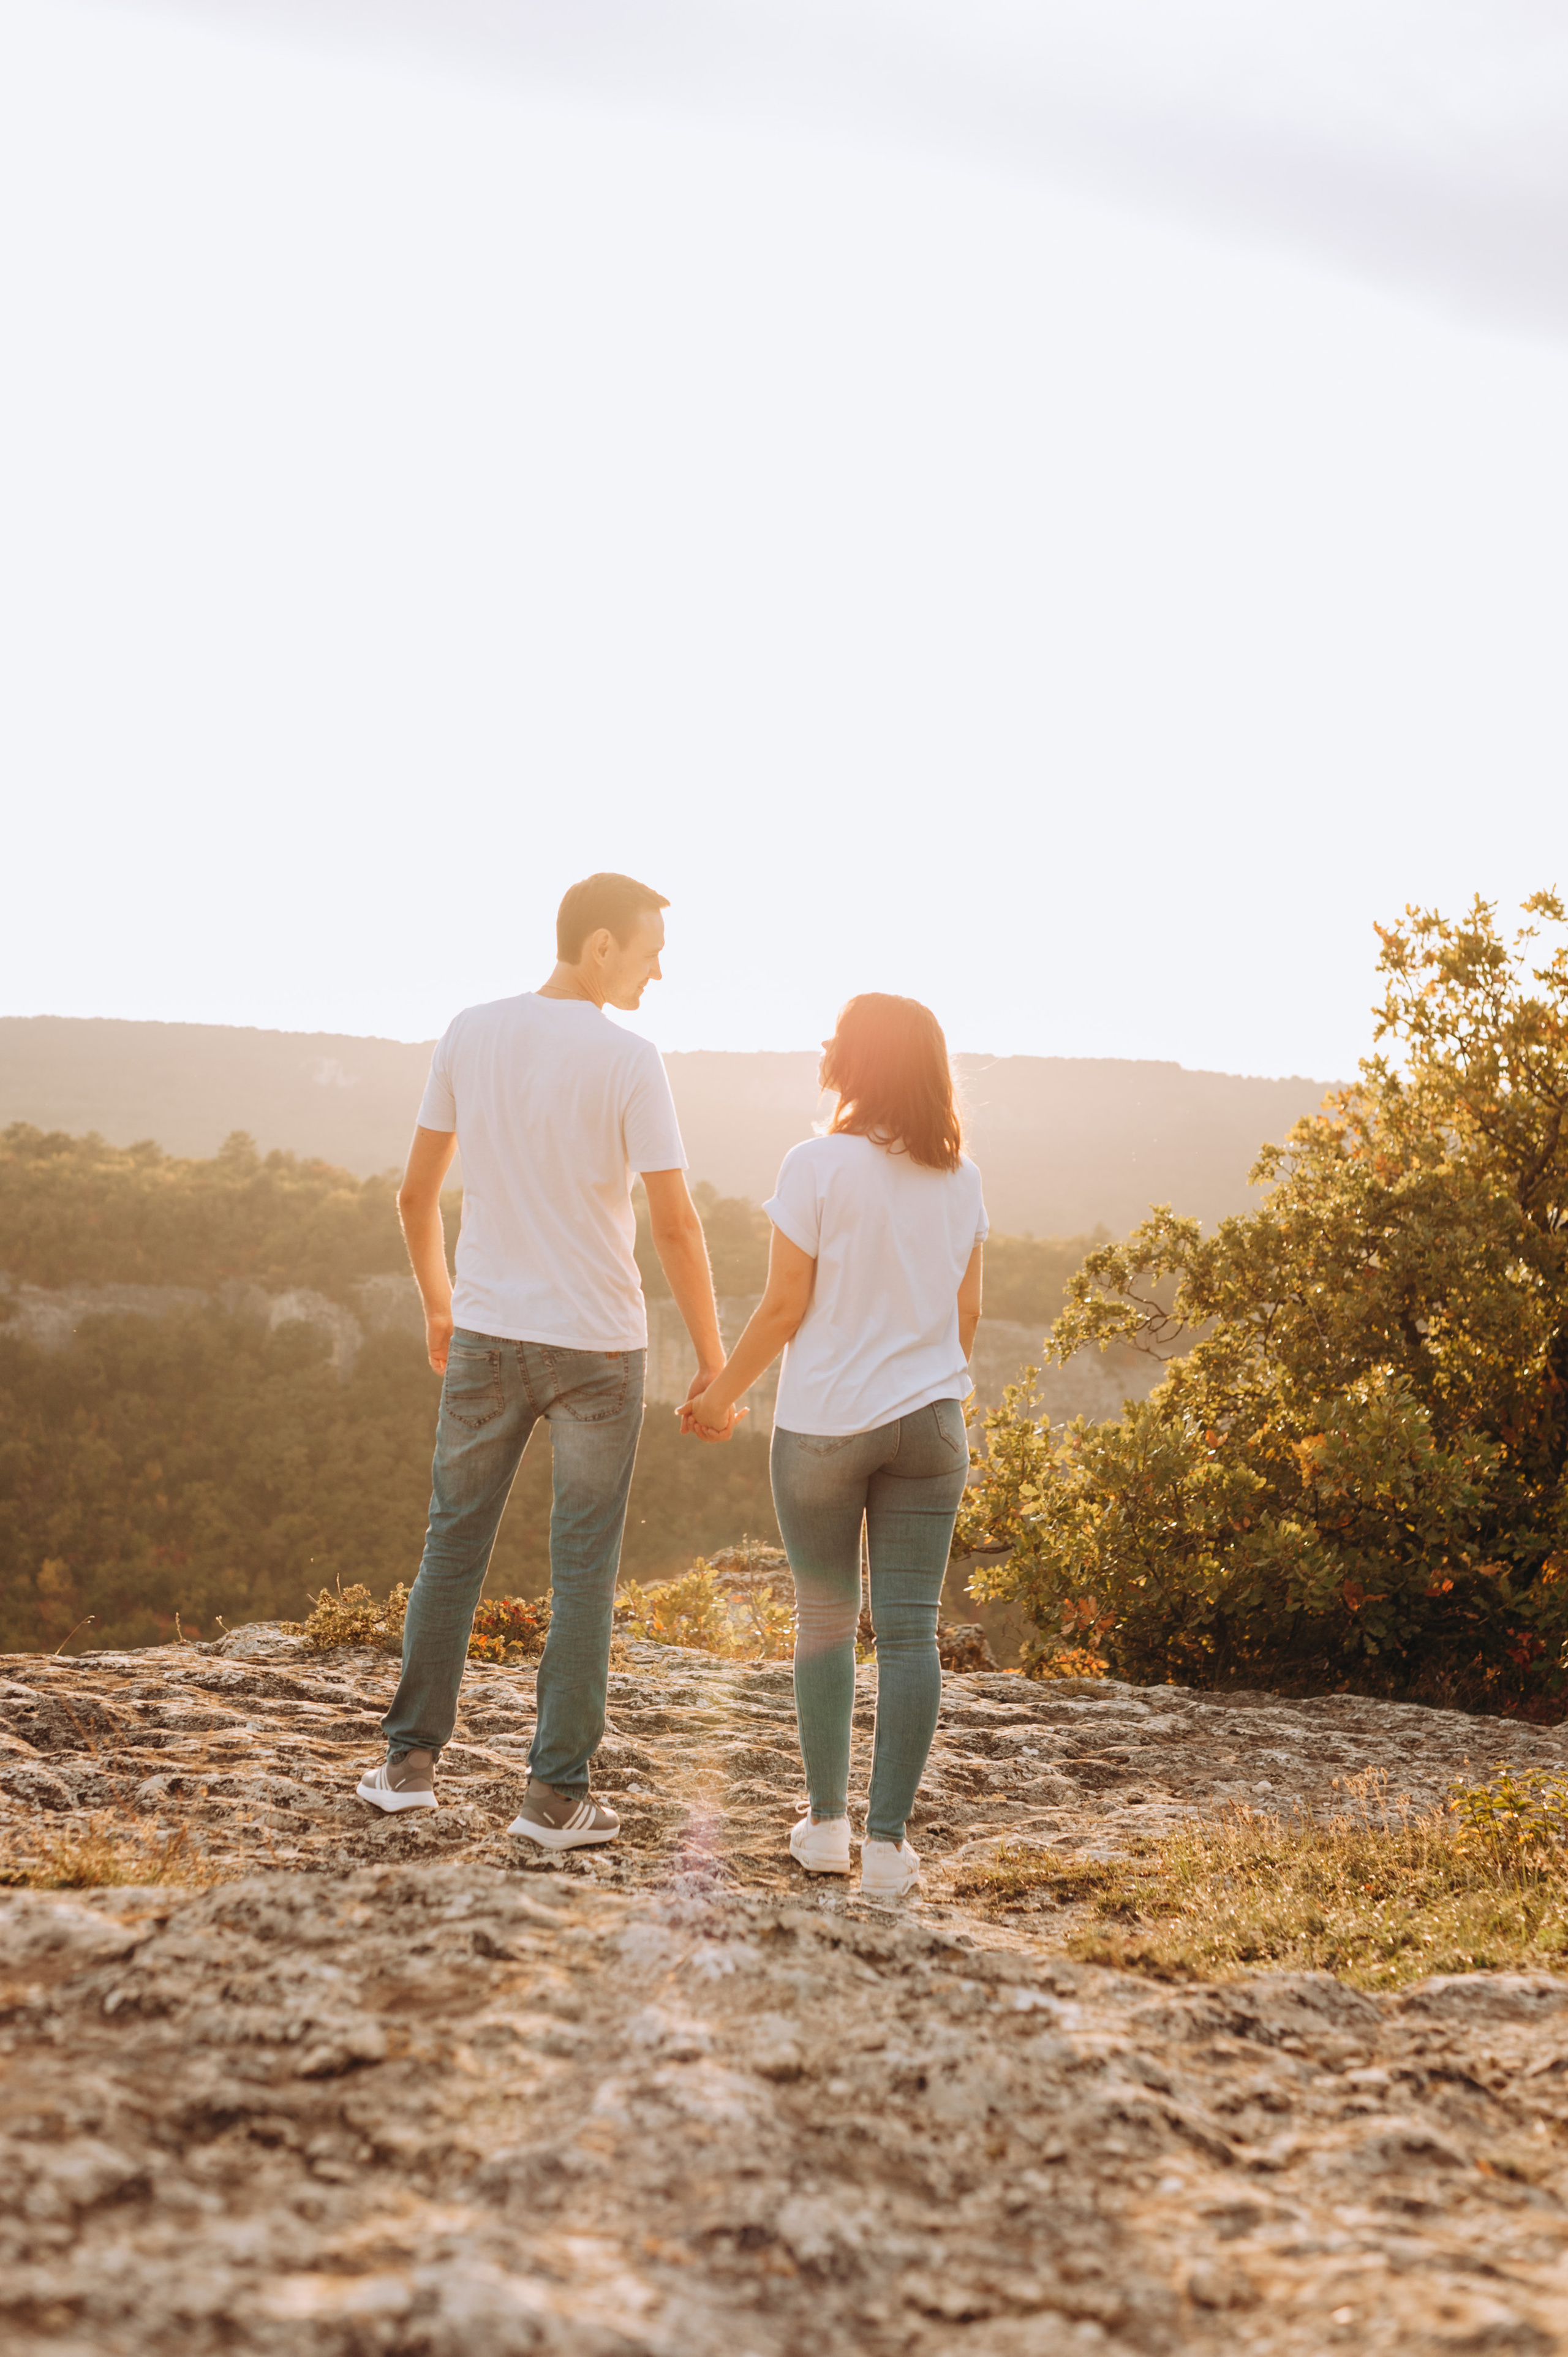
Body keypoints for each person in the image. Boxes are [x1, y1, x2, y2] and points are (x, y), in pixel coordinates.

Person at [356, 871, 740, 1849]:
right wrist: (714, 1361)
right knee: (582, 1575)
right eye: (651, 951)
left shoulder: (469, 1031)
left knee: (453, 1548)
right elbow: (676, 1223)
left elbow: (414, 1196)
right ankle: (554, 1798)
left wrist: (442, 1308)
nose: (661, 972)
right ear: (601, 946)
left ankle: (408, 1767)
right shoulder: (630, 1059)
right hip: (598, 1351)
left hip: (487, 1333)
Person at [684, 993, 986, 1902]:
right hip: (933, 1426)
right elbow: (966, 1320)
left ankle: (825, 1827)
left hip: (825, 1427)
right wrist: (917, 1377)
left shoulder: (814, 1164)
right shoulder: (961, 1176)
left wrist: (718, 1398)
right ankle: (890, 1848)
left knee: (824, 1621)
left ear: (856, 1063)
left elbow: (784, 1307)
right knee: (910, 1630)